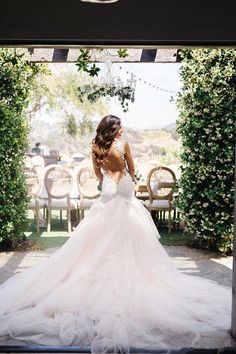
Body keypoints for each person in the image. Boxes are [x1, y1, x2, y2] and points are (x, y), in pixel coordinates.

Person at [0, 115, 232, 352]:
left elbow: (97, 173)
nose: (122, 130)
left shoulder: (95, 145)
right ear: (114, 129)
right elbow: (131, 169)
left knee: (100, 235)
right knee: (130, 233)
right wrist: (123, 175)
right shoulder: (123, 145)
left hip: (109, 189)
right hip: (124, 189)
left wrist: (108, 179)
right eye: (119, 126)